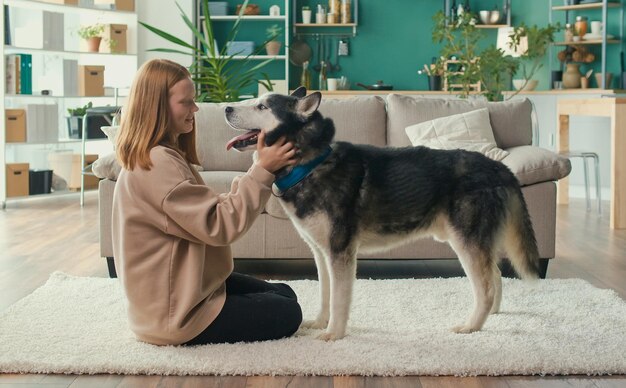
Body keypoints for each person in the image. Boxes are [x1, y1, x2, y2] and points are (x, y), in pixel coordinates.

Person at [112, 58, 302, 346]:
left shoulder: (156, 155)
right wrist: (262, 170)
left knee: (284, 293)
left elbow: (204, 213)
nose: (195, 109)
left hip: (181, 291)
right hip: (177, 315)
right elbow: (220, 225)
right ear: (157, 106)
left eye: (194, 100)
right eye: (186, 102)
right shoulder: (158, 164)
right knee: (289, 311)